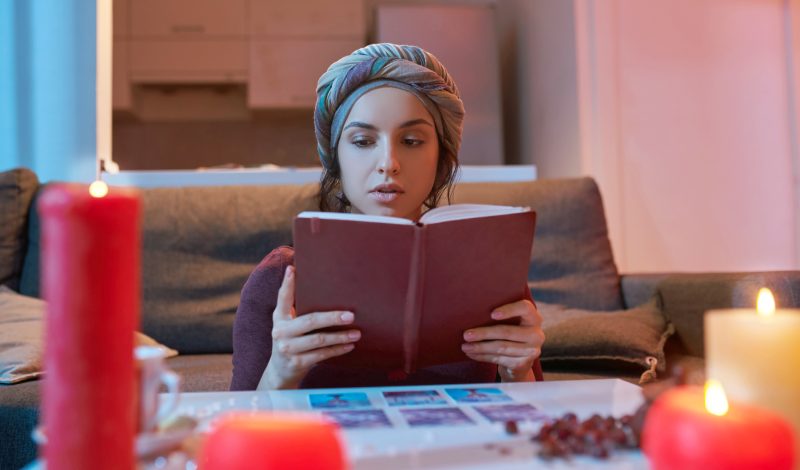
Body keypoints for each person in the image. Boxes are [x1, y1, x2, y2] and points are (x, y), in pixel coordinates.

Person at [231, 43, 545, 391]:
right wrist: (281, 370)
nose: (388, 163)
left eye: (411, 141)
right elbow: (233, 433)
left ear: (441, 159)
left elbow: (538, 423)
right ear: (335, 158)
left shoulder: (489, 276)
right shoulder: (278, 280)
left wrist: (520, 372)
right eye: (363, 141)